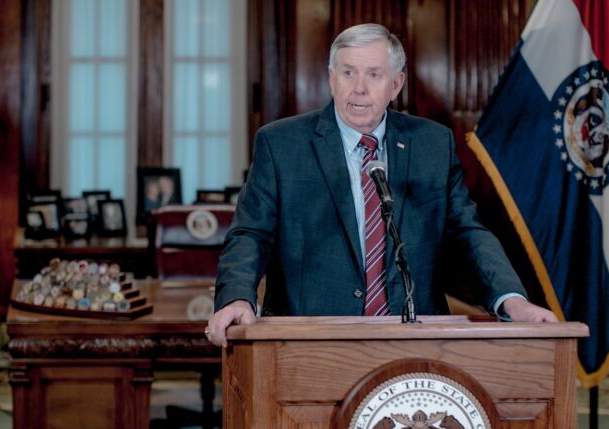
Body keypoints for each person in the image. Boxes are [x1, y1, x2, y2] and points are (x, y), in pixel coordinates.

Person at [206, 23, 556, 347]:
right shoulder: (282, 144)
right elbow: (251, 234)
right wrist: (237, 296)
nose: (359, 87)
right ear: (331, 78)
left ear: (396, 84)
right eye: (348, 73)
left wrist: (512, 300)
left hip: (414, 340)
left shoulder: (432, 144)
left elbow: (467, 232)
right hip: (307, 339)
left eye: (374, 74)